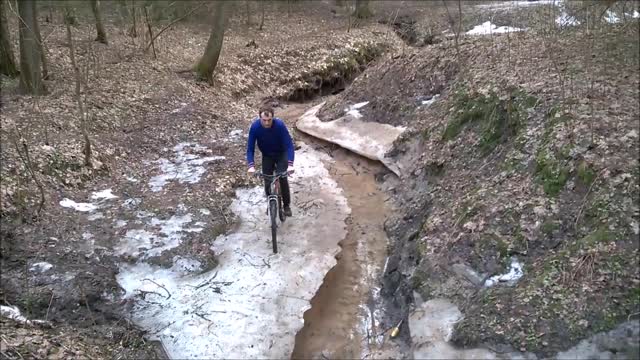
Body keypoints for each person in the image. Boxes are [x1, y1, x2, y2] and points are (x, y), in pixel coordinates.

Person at [246, 106, 295, 217]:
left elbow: (289, 145)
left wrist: (291, 164)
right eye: (264, 120)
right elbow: (250, 149)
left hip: (281, 154)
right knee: (267, 181)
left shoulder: (279, 125)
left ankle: (286, 205)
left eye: (269, 120)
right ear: (260, 118)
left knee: (282, 177)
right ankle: (270, 203)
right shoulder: (255, 127)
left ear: (273, 117)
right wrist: (251, 166)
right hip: (267, 155)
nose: (267, 123)